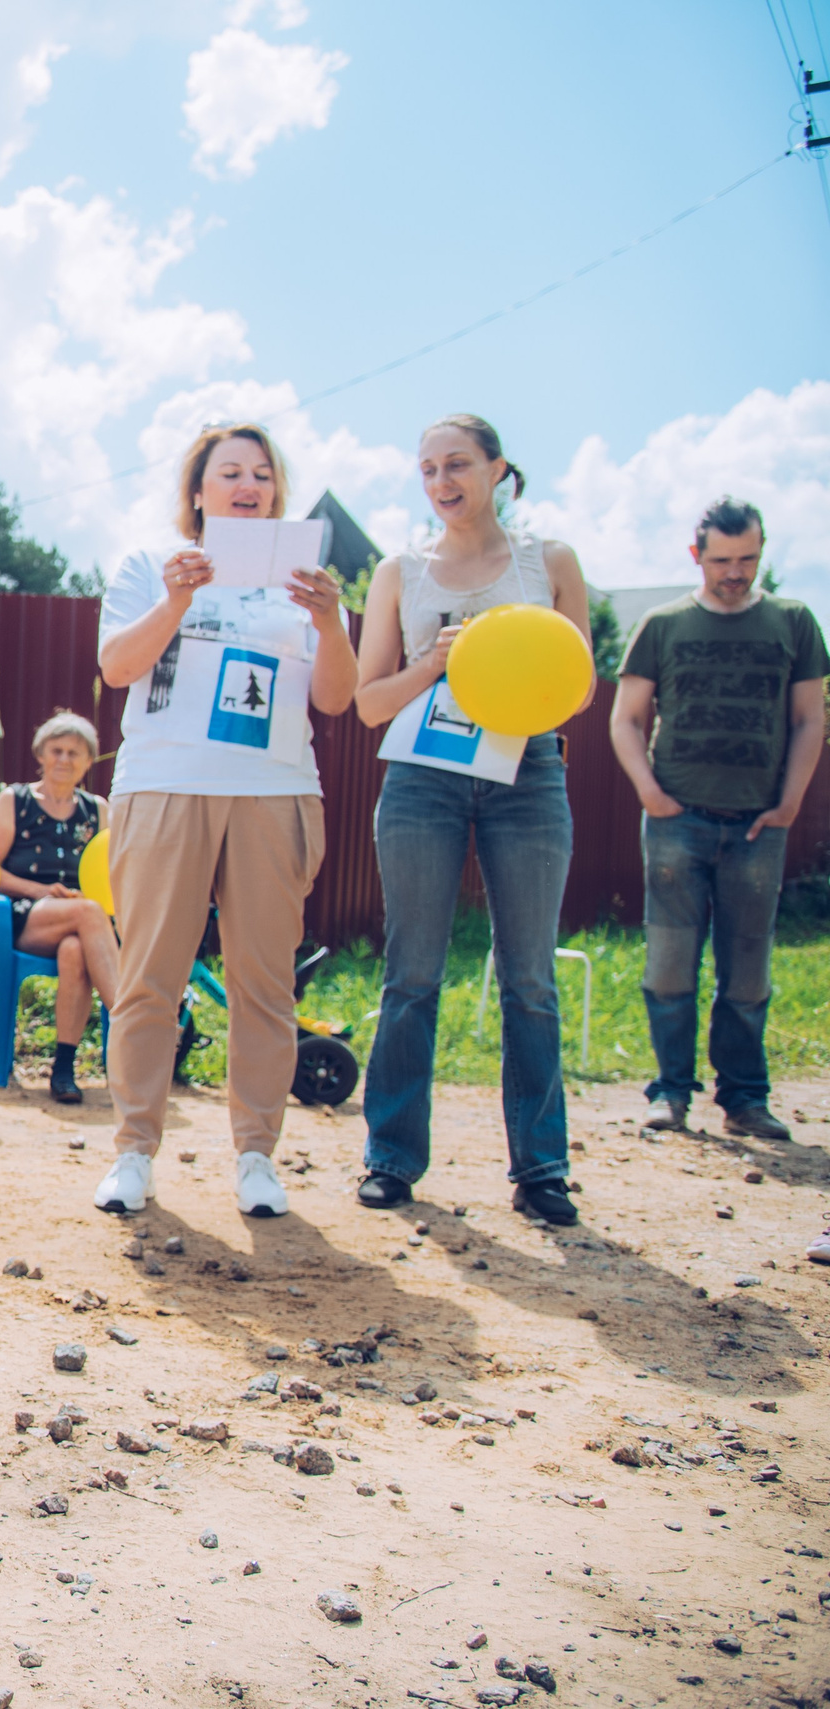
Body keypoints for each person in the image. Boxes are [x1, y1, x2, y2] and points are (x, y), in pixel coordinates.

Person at [91, 423, 357, 1219]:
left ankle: (255, 1158)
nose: (248, 484)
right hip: (166, 786)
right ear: (198, 491)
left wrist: (334, 623)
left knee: (265, 985)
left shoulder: (304, 581)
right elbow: (116, 667)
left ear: (277, 492)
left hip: (274, 791)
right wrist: (178, 598)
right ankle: (134, 1152)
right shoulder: (149, 566)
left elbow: (336, 698)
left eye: (262, 473)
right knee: (149, 980)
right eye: (229, 471)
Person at [351, 415, 593, 1225]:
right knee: (411, 971)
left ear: (497, 470)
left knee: (530, 977)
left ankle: (542, 1170)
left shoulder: (548, 563)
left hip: (528, 776)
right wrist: (437, 663)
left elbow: (581, 687)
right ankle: (390, 1158)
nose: (441, 480)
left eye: (457, 464)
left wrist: (511, 662)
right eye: (427, 469)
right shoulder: (398, 572)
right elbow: (368, 701)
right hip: (425, 779)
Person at [610, 496, 824, 1166]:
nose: (735, 572)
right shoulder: (663, 624)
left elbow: (810, 719)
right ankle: (670, 1091)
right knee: (669, 966)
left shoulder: (793, 621)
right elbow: (625, 717)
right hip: (678, 820)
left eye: (748, 559)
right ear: (696, 553)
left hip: (759, 823)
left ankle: (745, 1097)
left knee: (748, 971)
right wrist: (650, 792)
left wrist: (789, 803)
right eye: (723, 559)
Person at [0, 711, 117, 1104]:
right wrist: (42, 891)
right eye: (56, 750)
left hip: (78, 923)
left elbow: (110, 871)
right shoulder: (16, 800)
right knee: (90, 913)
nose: (64, 759)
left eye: (75, 752)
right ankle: (131, 1017)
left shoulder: (98, 810)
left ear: (89, 761)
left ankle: (63, 1070)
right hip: (26, 915)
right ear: (41, 754)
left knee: (76, 948)